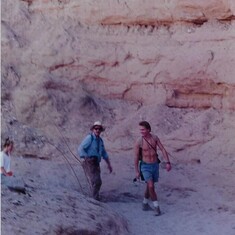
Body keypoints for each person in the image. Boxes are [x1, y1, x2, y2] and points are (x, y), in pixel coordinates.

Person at [134, 121, 171, 216]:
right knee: (151, 186)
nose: (141, 131)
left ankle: (145, 204)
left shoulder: (155, 138)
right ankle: (156, 207)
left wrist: (167, 162)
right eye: (140, 130)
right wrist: (137, 171)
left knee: (149, 185)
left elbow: (162, 149)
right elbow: (136, 156)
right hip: (145, 166)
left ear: (148, 129)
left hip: (154, 165)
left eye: (143, 129)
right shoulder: (139, 141)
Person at [78, 121, 113, 200]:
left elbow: (104, 153)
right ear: (93, 129)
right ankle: (94, 199)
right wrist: (86, 157)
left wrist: (109, 165)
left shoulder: (100, 141)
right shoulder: (89, 138)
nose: (97, 130)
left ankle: (94, 197)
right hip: (90, 162)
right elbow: (80, 148)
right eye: (96, 128)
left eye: (99, 129)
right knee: (96, 181)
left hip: (96, 162)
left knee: (96, 181)